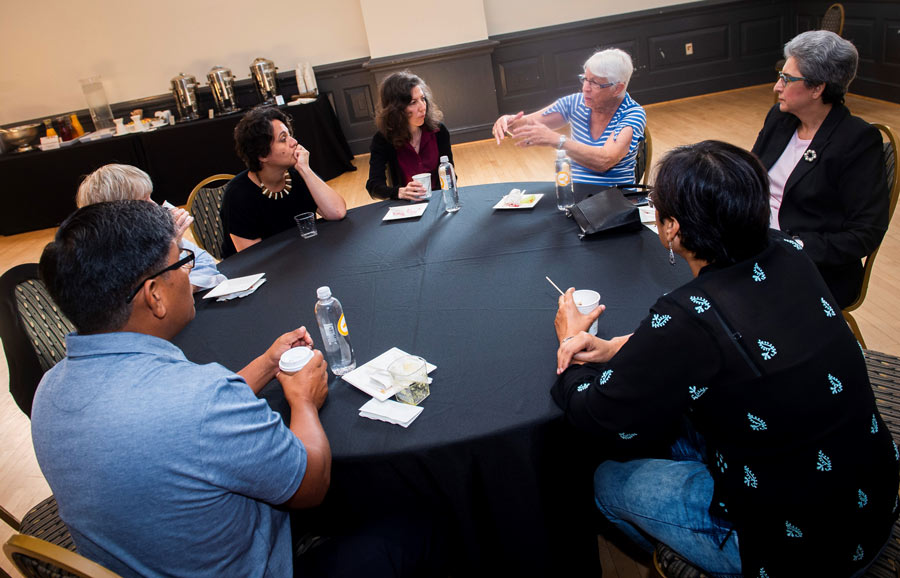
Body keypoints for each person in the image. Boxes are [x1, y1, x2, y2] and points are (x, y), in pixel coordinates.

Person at [32, 201, 438, 577]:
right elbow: (311, 485)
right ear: (154, 296)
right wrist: (303, 402)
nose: (189, 275)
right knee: (419, 520)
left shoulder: (48, 392)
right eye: (181, 264)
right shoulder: (198, 398)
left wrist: (266, 364)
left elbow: (184, 424)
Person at [551, 141, 899, 577]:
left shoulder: (686, 315)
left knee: (604, 479)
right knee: (671, 418)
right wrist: (622, 346)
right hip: (873, 498)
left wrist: (573, 347)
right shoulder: (791, 252)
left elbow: (595, 413)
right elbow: (734, 336)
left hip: (799, 550)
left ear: (670, 229)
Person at [752, 30, 889, 309]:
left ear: (818, 88)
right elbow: (750, 176)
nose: (777, 87)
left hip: (814, 267)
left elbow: (865, 232)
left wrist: (796, 245)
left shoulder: (857, 141)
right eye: (780, 74)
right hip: (757, 245)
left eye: (787, 79)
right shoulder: (780, 118)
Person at [492, 48, 645, 186]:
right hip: (577, 197)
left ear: (617, 88)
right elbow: (525, 124)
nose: (585, 88)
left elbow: (604, 161)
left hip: (616, 201)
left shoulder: (632, 114)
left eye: (594, 83)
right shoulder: (575, 103)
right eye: (585, 79)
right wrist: (508, 121)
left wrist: (558, 141)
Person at [76, 163, 226, 291]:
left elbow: (205, 263)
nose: (155, 205)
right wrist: (172, 247)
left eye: (151, 197)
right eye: (145, 200)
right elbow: (161, 297)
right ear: (118, 213)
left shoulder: (151, 232)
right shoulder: (108, 260)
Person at [221, 106, 346, 257]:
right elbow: (252, 258)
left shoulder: (298, 175)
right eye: (283, 139)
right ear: (262, 154)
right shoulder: (238, 195)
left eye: (290, 135)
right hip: (260, 274)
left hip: (302, 258)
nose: (294, 142)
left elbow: (337, 212)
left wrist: (306, 170)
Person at [366, 71, 453, 201]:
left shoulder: (439, 131)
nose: (422, 107)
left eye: (423, 99)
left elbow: (450, 176)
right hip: (406, 207)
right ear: (396, 108)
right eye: (413, 102)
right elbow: (373, 186)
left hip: (440, 201)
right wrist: (400, 192)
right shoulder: (383, 139)